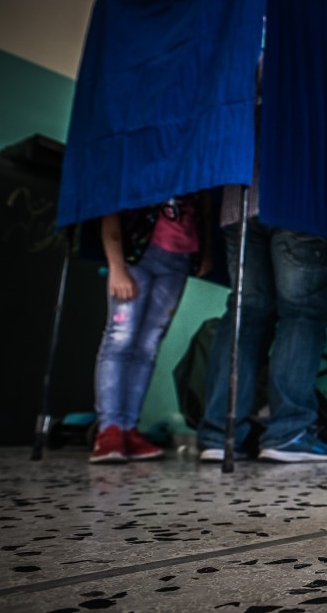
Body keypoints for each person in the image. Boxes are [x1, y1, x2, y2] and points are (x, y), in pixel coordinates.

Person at [195, 176, 327, 463]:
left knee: (245, 313)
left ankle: (220, 435)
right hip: (301, 199)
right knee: (303, 314)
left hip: (238, 202)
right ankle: (288, 433)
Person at [90, 193, 213, 463]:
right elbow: (112, 208)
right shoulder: (145, 159)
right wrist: (116, 266)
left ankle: (128, 428)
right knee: (120, 338)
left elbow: (204, 210)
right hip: (137, 254)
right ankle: (109, 430)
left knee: (149, 345)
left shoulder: (195, 165)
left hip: (179, 258)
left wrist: (205, 251)